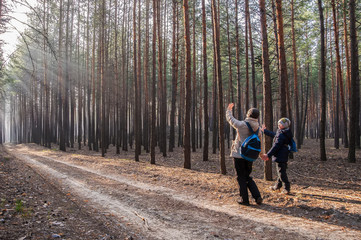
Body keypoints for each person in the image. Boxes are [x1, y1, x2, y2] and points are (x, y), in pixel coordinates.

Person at [226, 103, 263, 206]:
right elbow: (260, 143)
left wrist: (229, 110)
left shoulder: (242, 125)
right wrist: (261, 154)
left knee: (240, 177)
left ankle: (244, 200)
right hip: (250, 156)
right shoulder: (258, 129)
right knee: (247, 176)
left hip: (239, 155)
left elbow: (230, 119)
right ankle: (257, 196)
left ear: (248, 115)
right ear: (257, 117)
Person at [261, 118, 293, 195]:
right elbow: (275, 135)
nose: (278, 125)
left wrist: (268, 155)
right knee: (281, 171)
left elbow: (276, 146)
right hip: (283, 154)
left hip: (280, 155)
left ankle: (286, 188)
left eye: (280, 124)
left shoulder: (282, 134)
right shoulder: (284, 132)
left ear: (284, 125)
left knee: (281, 172)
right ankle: (277, 186)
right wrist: (265, 131)